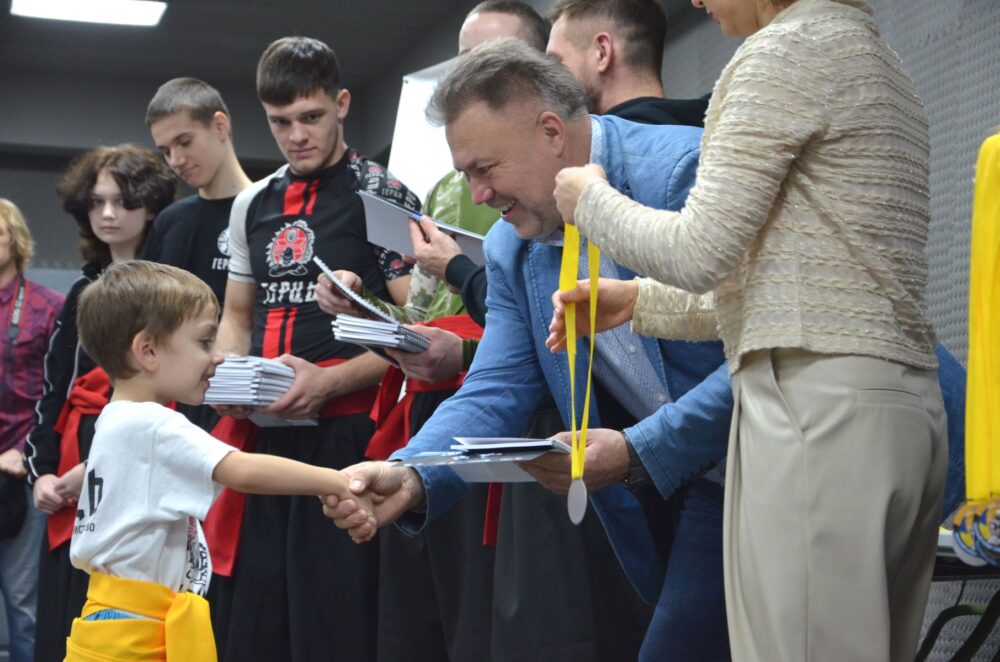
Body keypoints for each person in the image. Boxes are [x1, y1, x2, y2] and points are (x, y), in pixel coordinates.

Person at [548, 1, 946, 660]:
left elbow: (700, 250)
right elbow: (800, 284)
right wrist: (640, 302)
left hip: (814, 412)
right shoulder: (879, 60)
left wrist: (590, 198)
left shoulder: (781, 51)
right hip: (899, 410)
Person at [326, 39, 733, 662]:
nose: (477, 194)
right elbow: (497, 387)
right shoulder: (512, 247)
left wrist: (636, 450)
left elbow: (765, 352)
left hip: (789, 459)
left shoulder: (685, 174)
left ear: (551, 133)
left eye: (484, 168)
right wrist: (411, 472)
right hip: (706, 486)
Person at [212, 36, 419, 661]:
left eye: (311, 117)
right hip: (262, 439)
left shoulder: (382, 193)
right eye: (280, 122)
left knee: (336, 621)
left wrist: (330, 382)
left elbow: (421, 327)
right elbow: (236, 316)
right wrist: (226, 378)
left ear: (342, 104)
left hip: (352, 436)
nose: (297, 135)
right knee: (257, 623)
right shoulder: (251, 203)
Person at [63, 260, 375, 661]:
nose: (217, 357)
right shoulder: (153, 423)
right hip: (135, 625)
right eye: (204, 342)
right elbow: (242, 469)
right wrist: (337, 481)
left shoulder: (114, 418)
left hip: (115, 616)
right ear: (148, 350)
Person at [24, 144, 176, 662]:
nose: (108, 214)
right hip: (70, 463)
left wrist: (94, 468)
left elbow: (174, 395)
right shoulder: (81, 291)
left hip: (138, 469)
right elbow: (53, 389)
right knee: (60, 620)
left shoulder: (170, 292)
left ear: (149, 206)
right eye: (97, 202)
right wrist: (42, 473)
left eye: (122, 201)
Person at [0, 199, 63, 662]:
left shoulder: (48, 307)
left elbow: (58, 393)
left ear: (15, 239)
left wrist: (26, 452)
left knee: (25, 606)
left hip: (21, 469)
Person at [547, 0, 710, 126]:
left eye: (557, 62)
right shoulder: (710, 134)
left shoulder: (607, 156)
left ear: (602, 53)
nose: (552, 79)